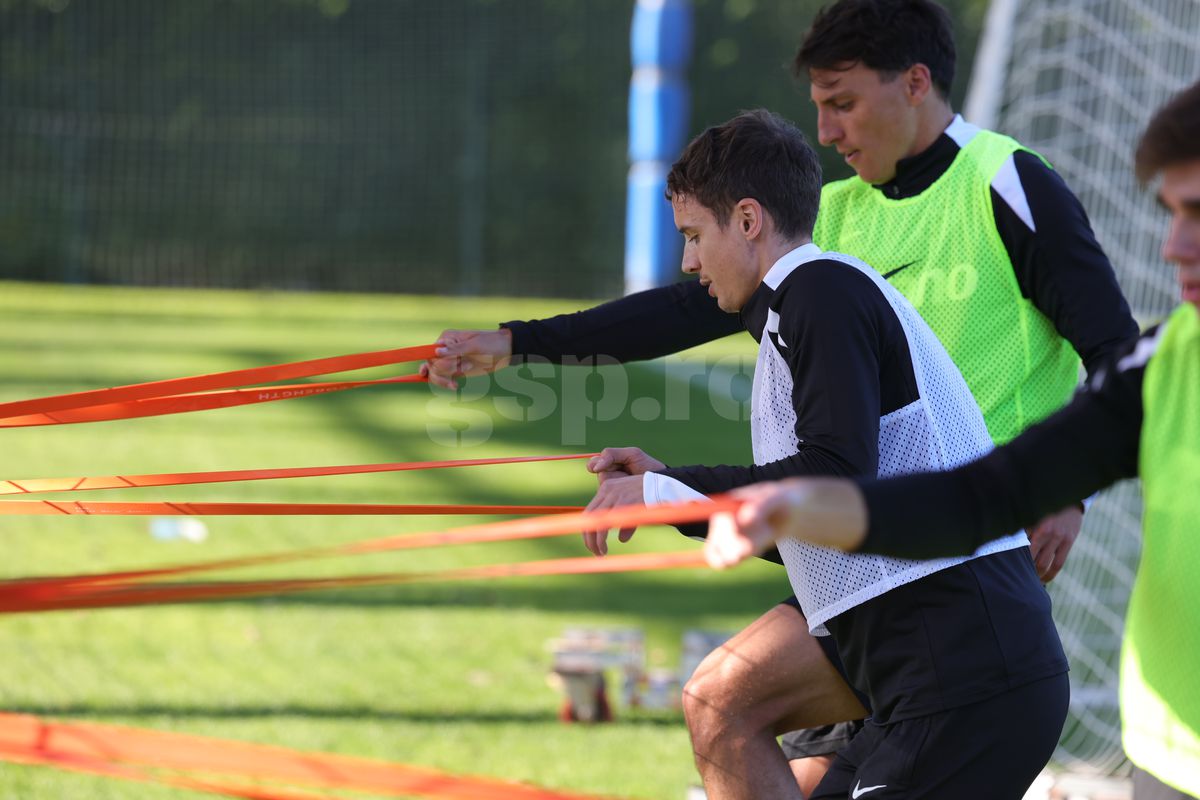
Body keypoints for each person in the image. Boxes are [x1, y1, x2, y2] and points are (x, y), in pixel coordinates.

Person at [422, 1, 1137, 792]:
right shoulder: (822, 225)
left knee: (766, 714)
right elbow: (683, 310)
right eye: (818, 109)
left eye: (843, 102)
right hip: (862, 572)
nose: (828, 131)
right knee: (721, 705)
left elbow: (1113, 350)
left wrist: (1065, 488)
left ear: (915, 82)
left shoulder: (1000, 182)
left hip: (953, 578)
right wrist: (520, 345)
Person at [703, 80, 1200, 800]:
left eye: (1197, 215)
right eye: (1172, 213)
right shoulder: (1168, 360)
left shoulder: (1000, 181)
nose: (1172, 245)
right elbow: (979, 497)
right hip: (1171, 755)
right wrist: (796, 507)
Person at [586, 107, 1068, 799]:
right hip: (924, 667)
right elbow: (818, 528)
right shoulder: (800, 305)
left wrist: (669, 495)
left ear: (748, 221)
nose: (689, 262)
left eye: (695, 236)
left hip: (965, 667)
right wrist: (673, 487)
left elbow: (836, 480)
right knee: (719, 704)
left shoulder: (822, 292)